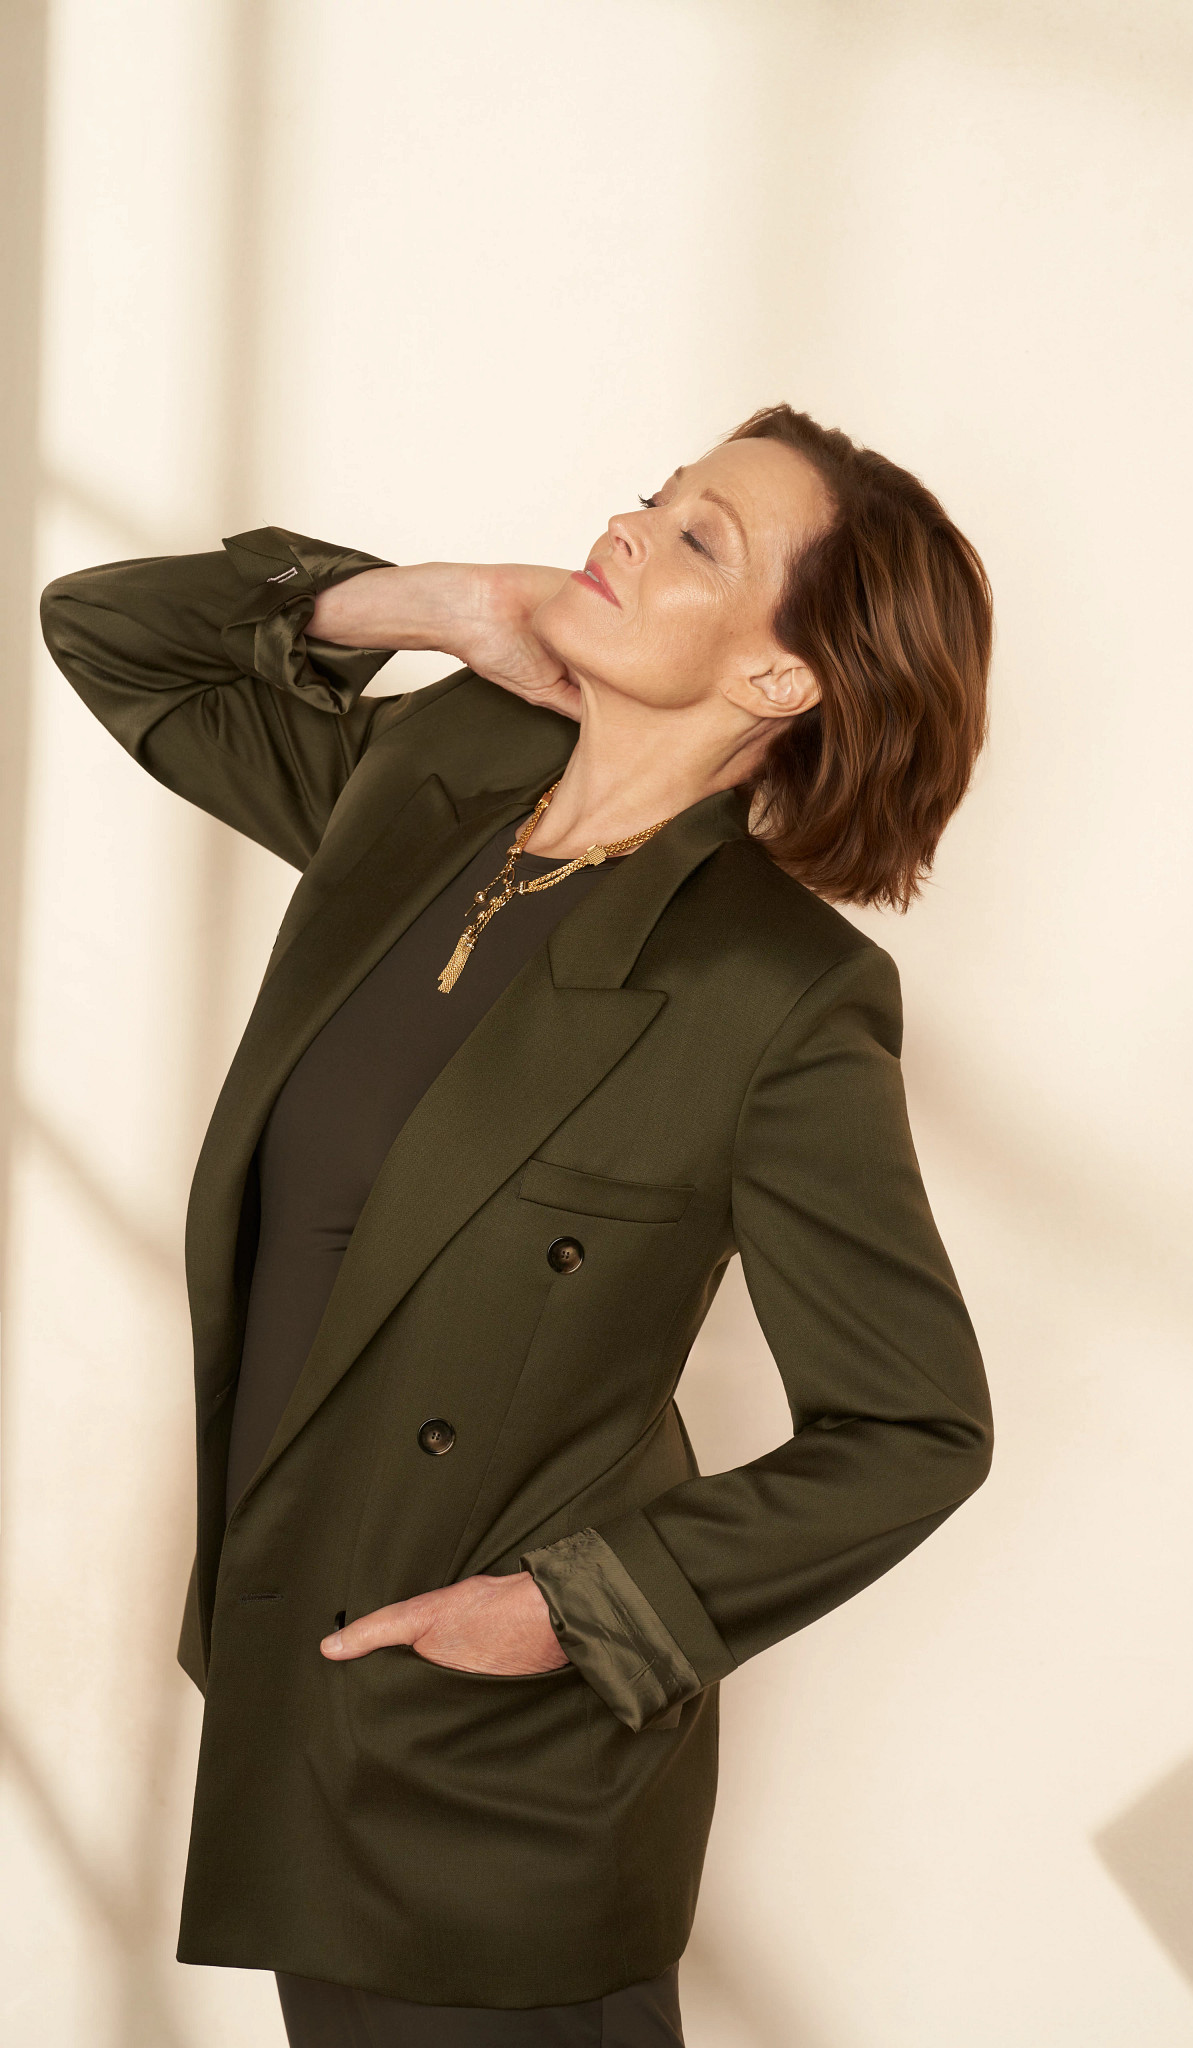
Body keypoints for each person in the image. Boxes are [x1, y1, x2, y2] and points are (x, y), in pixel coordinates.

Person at [41, 403, 994, 2046]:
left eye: (699, 541)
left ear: (780, 677)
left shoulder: (776, 993)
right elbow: (112, 634)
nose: (628, 527)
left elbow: (914, 1427)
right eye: (653, 497)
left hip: (501, 1777)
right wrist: (438, 603)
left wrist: (570, 1613)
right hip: (307, 1689)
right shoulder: (431, 780)